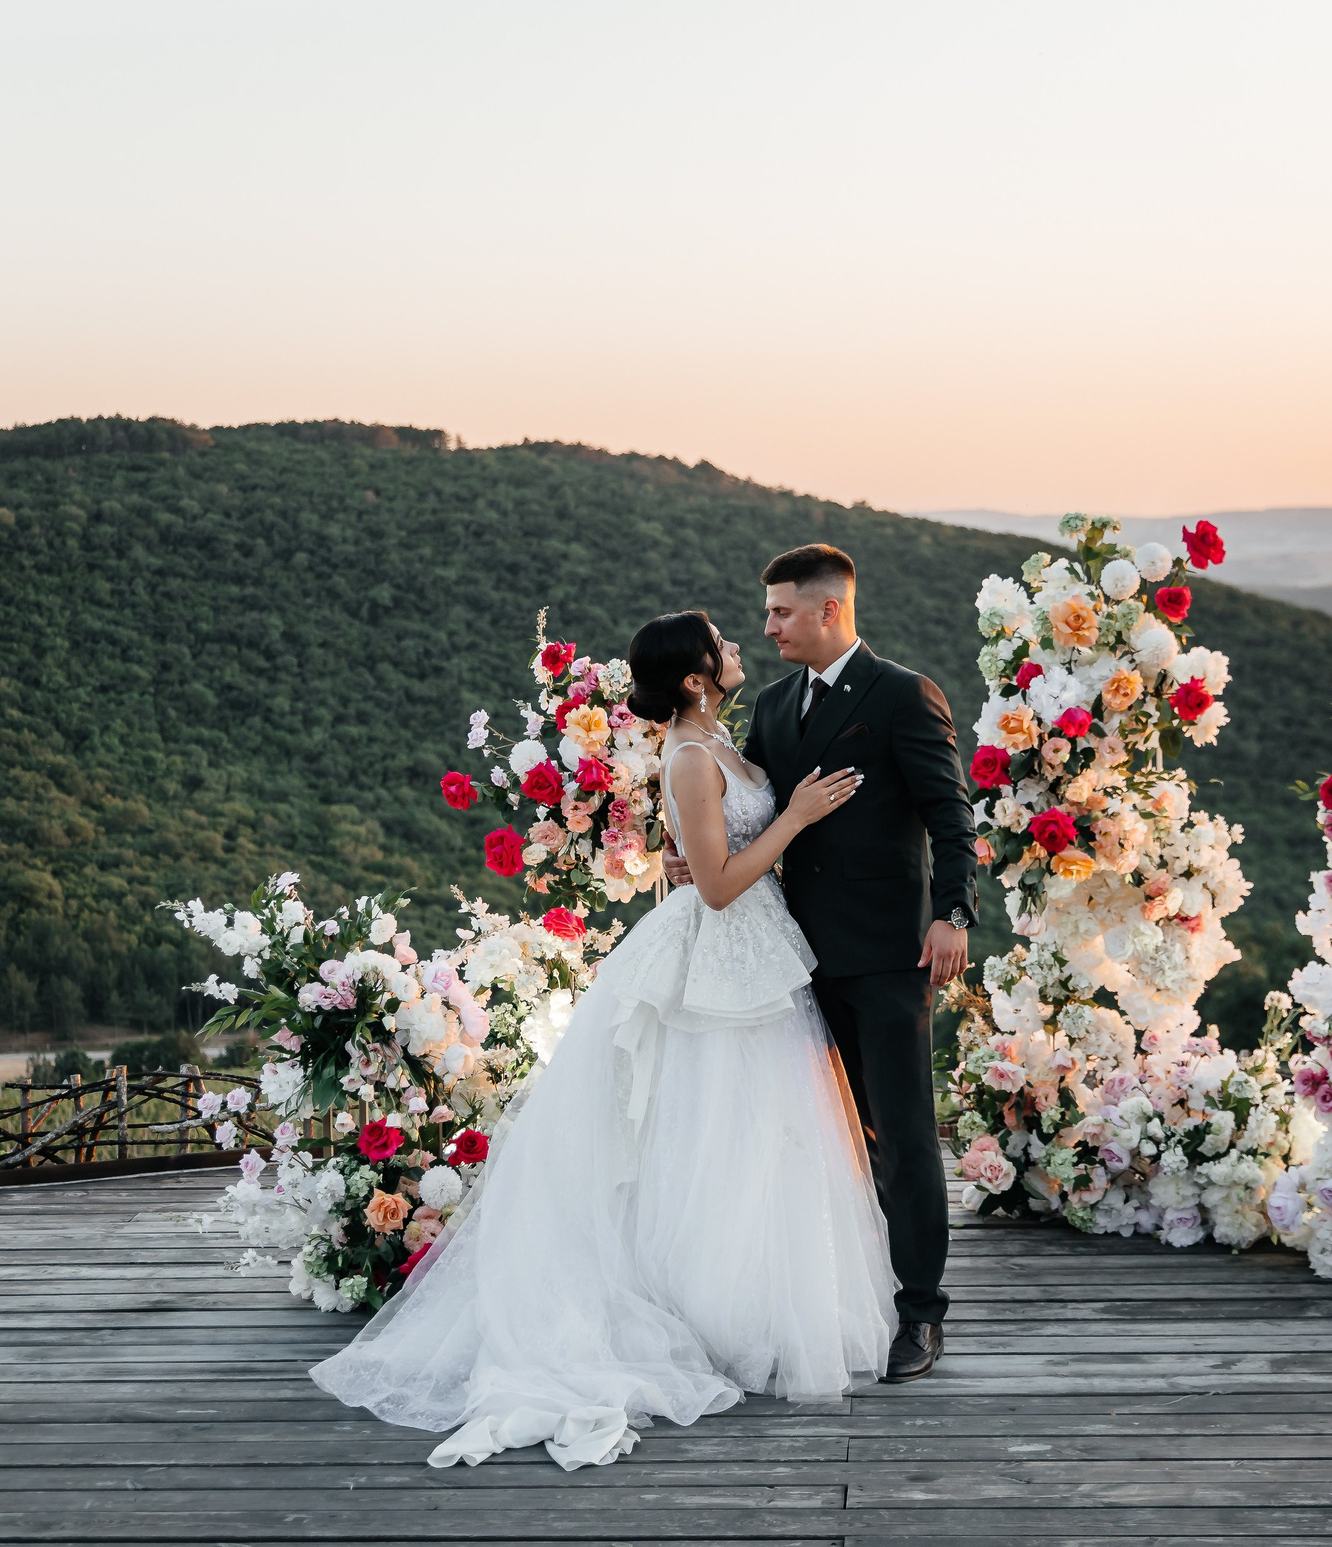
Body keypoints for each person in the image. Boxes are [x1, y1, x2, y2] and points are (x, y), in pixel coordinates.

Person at [309, 610, 896, 1469]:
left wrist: (703, 843)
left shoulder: (721, 742)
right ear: (696, 676)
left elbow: (699, 856)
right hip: (719, 956)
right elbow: (723, 885)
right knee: (707, 1135)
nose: (738, 648)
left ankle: (759, 1306)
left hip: (757, 963)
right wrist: (797, 816)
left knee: (760, 1140)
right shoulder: (691, 757)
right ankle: (706, 1313)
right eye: (722, 644)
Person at [666, 542, 976, 1382]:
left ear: (829, 610)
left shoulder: (904, 694)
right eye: (766, 614)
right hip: (789, 965)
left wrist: (952, 914)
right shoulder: (770, 704)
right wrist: (688, 859)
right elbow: (749, 809)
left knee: (904, 1135)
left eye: (780, 612)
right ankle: (844, 1297)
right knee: (816, 1140)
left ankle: (919, 1313)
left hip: (886, 956)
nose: (766, 627)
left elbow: (952, 817)